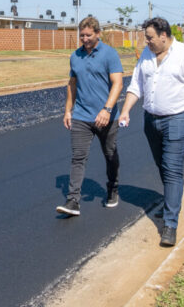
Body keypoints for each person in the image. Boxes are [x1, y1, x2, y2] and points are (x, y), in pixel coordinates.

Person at [118, 17, 184, 247]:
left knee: (172, 169)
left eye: (149, 37)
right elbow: (136, 86)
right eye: (145, 37)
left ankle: (170, 224)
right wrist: (126, 110)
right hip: (151, 121)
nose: (146, 41)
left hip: (178, 119)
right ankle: (171, 203)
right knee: (162, 165)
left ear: (163, 35)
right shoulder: (147, 56)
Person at [57, 16, 124, 217]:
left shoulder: (109, 54)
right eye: (82, 35)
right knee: (78, 157)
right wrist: (68, 110)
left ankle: (113, 188)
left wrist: (107, 109)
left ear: (98, 34)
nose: (84, 39)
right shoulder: (75, 56)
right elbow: (72, 84)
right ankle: (73, 200)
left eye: (88, 35)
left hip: (107, 117)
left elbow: (118, 84)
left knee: (110, 154)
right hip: (81, 116)